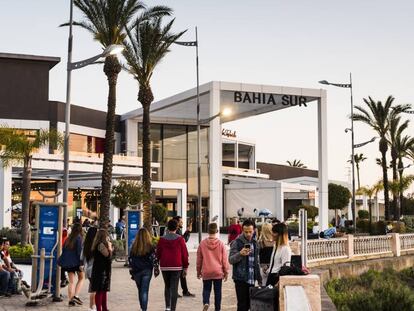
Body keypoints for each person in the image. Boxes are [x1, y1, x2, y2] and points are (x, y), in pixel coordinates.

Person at [229, 219, 262, 311]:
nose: (248, 234)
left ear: (254, 230)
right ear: (242, 230)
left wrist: (259, 278)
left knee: (250, 305)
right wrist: (240, 254)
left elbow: (256, 262)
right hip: (240, 279)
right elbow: (230, 260)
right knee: (242, 305)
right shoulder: (237, 242)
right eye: (246, 232)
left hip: (251, 279)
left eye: (250, 232)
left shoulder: (255, 243)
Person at [157, 219, 189, 311]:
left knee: (167, 286)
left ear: (168, 227)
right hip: (176, 266)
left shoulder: (162, 239)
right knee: (174, 288)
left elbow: (158, 253)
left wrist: (157, 263)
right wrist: (185, 267)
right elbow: (184, 254)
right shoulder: (180, 239)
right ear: (176, 227)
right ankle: (173, 308)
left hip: (165, 266)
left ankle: (167, 307)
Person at [197, 222, 229, 311]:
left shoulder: (202, 244)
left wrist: (198, 271)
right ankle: (217, 309)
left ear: (208, 231)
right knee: (218, 291)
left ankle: (206, 302)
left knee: (206, 289)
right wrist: (226, 272)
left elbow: (199, 259)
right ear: (217, 231)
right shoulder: (221, 244)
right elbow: (225, 260)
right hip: (218, 272)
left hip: (206, 271)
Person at [129, 228, 160, 311]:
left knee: (140, 290)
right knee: (144, 291)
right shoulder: (150, 246)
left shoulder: (134, 246)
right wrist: (156, 268)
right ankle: (144, 309)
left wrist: (131, 271)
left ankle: (142, 308)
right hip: (147, 271)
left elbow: (130, 259)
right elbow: (154, 258)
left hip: (136, 271)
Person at [58, 223, 85, 306]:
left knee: (71, 282)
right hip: (76, 262)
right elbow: (79, 252)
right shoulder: (79, 238)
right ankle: (76, 296)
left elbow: (64, 249)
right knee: (81, 278)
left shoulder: (68, 238)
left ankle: (70, 300)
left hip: (68, 263)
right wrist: (81, 263)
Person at [172, 216, 194, 297]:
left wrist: (187, 231)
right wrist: (188, 231)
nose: (182, 223)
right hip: (178, 256)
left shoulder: (178, 230)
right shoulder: (176, 231)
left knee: (182, 275)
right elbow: (183, 241)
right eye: (181, 222)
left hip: (179, 255)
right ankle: (180, 291)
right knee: (179, 274)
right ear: (177, 223)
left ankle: (185, 291)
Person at [91, 229, 113, 311]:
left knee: (103, 290)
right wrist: (110, 248)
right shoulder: (100, 245)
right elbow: (108, 256)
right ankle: (99, 309)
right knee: (100, 291)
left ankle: (104, 308)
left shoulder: (99, 244)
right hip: (101, 271)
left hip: (101, 270)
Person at [82, 227, 98, 311]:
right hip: (95, 269)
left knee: (92, 288)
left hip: (88, 269)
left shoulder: (85, 244)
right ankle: (93, 307)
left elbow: (82, 257)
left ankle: (91, 306)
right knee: (94, 290)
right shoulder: (96, 245)